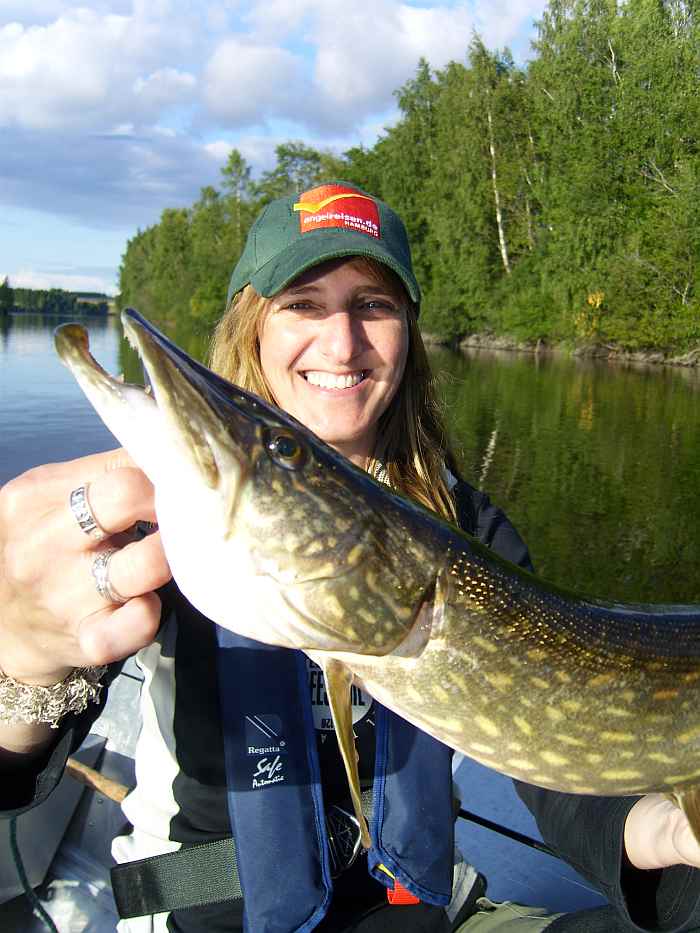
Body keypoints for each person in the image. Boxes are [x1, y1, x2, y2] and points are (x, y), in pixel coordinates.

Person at [2, 181, 700, 933]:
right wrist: (23, 665)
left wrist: (664, 829)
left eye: (373, 304)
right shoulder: (157, 525)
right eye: (303, 304)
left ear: (406, 335)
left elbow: (554, 756)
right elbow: (14, 766)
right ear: (253, 329)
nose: (342, 342)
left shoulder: (470, 531)